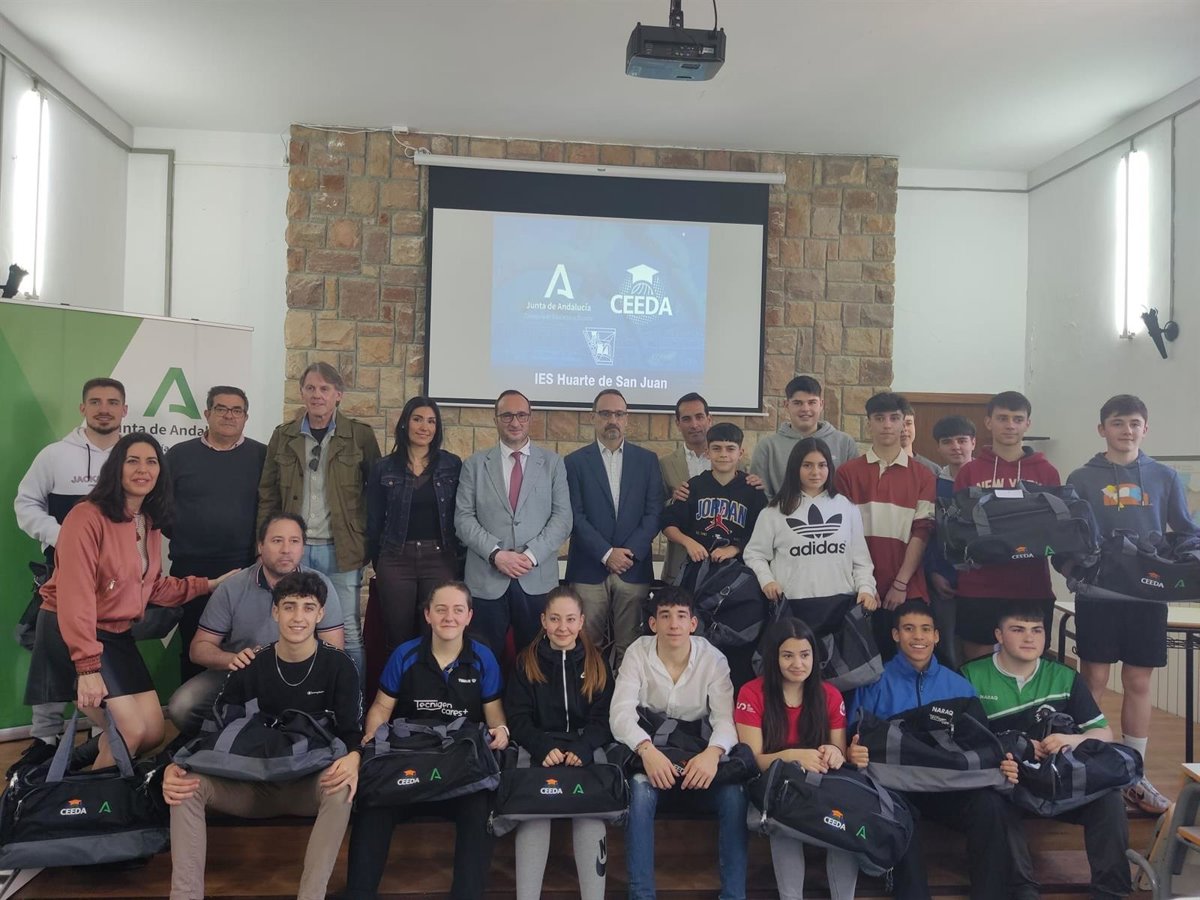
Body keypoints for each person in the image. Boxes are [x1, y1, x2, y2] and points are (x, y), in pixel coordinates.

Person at [25, 433, 234, 769]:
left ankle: (64, 773)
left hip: (116, 634)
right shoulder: (86, 516)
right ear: (116, 468)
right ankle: (94, 799)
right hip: (73, 633)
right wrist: (87, 667)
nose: (143, 469)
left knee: (151, 733)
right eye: (132, 461)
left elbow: (151, 586)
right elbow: (76, 596)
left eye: (151, 462)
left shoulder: (147, 521)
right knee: (129, 731)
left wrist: (208, 585)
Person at [161, 571, 361, 900]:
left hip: (304, 785)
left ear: (320, 614)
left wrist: (354, 758)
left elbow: (352, 730)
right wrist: (176, 764)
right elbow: (215, 727)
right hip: (251, 784)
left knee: (342, 788)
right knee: (185, 788)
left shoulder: (340, 666)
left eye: (308, 608)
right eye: (289, 607)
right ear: (275, 612)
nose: (298, 617)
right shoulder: (252, 665)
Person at [1066, 393, 1199, 815]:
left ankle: (1133, 774)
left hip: (1147, 594)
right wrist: (1075, 567)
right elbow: (1069, 534)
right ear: (1102, 429)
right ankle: (1085, 765)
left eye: (1134, 423)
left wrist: (1188, 562)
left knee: (1139, 681)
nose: (1127, 430)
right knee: (1094, 678)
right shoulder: (1081, 477)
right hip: (1098, 595)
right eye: (1118, 423)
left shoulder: (1164, 476)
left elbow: (1186, 530)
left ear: (1145, 428)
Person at [846, 600, 1019, 900]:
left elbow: (981, 744)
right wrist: (853, 753)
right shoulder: (873, 681)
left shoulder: (959, 685)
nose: (918, 636)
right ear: (895, 635)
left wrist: (1004, 764)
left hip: (947, 787)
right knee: (898, 816)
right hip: (896, 787)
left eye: (926, 629)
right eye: (909, 629)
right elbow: (854, 737)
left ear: (937, 636)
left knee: (990, 806)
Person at [346, 581, 509, 900]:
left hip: (459, 770)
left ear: (469, 616)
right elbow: (381, 708)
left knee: (480, 807)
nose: (449, 617)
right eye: (441, 609)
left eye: (458, 610)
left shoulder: (483, 658)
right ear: (428, 615)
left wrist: (501, 730)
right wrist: (372, 739)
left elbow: (495, 714)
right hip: (410, 763)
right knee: (373, 804)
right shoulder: (405, 655)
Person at [962, 603, 1132, 900]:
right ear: (999, 635)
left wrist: (1070, 740)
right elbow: (966, 741)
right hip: (1008, 778)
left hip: (1057, 779)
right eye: (1018, 630)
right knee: (994, 797)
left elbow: (1103, 732)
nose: (1029, 638)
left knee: (1109, 800)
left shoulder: (1064, 676)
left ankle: (1111, 893)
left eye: (1037, 631)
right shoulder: (970, 676)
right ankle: (1023, 891)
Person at [610, 585, 747, 900]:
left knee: (735, 795)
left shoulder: (713, 659)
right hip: (653, 756)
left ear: (693, 623)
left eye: (682, 616)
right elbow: (620, 714)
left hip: (699, 756)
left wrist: (713, 754)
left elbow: (725, 720)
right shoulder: (637, 652)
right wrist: (646, 750)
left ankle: (734, 896)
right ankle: (642, 896)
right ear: (653, 623)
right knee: (639, 790)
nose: (674, 624)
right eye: (665, 616)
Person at [14, 376, 127, 747]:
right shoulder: (54, 455)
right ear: (83, 408)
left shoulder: (134, 458)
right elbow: (25, 504)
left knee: (105, 657)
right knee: (52, 655)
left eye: (112, 402)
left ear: (124, 410)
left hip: (115, 580)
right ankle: (44, 738)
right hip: (60, 575)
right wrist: (63, 536)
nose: (104, 410)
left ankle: (100, 736)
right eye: (95, 402)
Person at [166, 513, 345, 736]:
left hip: (301, 676)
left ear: (302, 547)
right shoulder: (232, 587)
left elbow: (334, 650)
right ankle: (221, 744)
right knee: (182, 706)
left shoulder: (320, 585)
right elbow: (199, 649)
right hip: (239, 674)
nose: (286, 549)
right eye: (277, 540)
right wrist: (232, 659)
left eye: (294, 541)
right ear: (260, 546)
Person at [258, 362, 381, 679]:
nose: (317, 395)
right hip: (292, 550)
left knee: (347, 629)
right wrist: (265, 545)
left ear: (338, 394)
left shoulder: (360, 436)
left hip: (342, 550)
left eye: (325, 389)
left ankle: (352, 699)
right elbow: (268, 493)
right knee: (291, 624)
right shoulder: (283, 436)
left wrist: (366, 539)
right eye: (310, 388)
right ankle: (298, 694)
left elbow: (376, 493)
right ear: (301, 393)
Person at [735, 617, 857, 900]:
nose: (798, 664)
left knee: (843, 817)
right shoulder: (752, 693)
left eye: (805, 655)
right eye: (788, 656)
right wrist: (792, 756)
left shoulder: (830, 695)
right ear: (774, 657)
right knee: (785, 819)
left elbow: (838, 752)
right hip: (774, 784)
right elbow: (752, 760)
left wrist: (834, 753)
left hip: (820, 785)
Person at [505, 587, 615, 900]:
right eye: (554, 619)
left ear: (581, 621)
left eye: (569, 619)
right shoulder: (526, 662)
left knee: (590, 814)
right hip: (540, 751)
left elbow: (605, 718)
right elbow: (518, 718)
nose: (562, 627)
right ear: (543, 621)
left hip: (584, 752)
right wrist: (541, 746)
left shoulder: (597, 663)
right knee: (534, 815)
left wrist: (584, 746)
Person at [454, 389, 572, 656]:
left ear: (530, 418)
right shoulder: (474, 465)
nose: (515, 422)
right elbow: (463, 518)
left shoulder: (553, 464)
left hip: (536, 579)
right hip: (486, 580)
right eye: (507, 415)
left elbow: (563, 519)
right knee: (482, 658)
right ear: (495, 419)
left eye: (521, 415)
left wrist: (530, 556)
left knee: (537, 659)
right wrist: (495, 554)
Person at [166, 385, 266, 681]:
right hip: (191, 569)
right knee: (194, 644)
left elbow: (271, 506)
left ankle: (237, 708)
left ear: (246, 417)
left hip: (245, 567)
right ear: (207, 413)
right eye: (221, 409)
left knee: (244, 644)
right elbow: (161, 508)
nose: (229, 415)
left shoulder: (262, 455)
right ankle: (193, 709)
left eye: (237, 410)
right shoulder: (179, 455)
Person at [953, 391, 1060, 662]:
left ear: (1028, 424)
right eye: (1002, 418)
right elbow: (957, 529)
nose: (1010, 425)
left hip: (1031, 586)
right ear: (988, 422)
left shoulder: (1046, 472)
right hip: (979, 586)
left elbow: (1055, 530)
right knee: (977, 665)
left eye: (1017, 419)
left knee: (1028, 664)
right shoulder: (969, 472)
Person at [661, 422, 767, 686]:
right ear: (707, 452)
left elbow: (763, 532)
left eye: (730, 449)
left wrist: (735, 548)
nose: (723, 454)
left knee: (736, 641)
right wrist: (688, 542)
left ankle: (736, 694)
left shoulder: (752, 490)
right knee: (696, 636)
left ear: (741, 452)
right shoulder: (694, 486)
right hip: (699, 576)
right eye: (717, 448)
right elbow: (668, 524)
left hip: (738, 580)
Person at [565, 389, 664, 667]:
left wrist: (627, 553)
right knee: (586, 646)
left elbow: (654, 512)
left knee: (631, 649)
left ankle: (625, 697)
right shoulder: (574, 462)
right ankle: (591, 695)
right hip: (588, 568)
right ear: (593, 417)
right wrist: (607, 553)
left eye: (619, 414)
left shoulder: (647, 460)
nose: (613, 420)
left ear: (627, 418)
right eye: (606, 413)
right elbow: (574, 515)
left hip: (633, 568)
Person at [835, 392, 936, 654]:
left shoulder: (924, 475)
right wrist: (863, 583)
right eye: (879, 418)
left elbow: (922, 532)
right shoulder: (847, 473)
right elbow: (841, 534)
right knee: (859, 665)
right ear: (869, 423)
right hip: (857, 588)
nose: (887, 425)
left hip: (906, 589)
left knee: (906, 662)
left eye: (894, 418)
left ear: (904, 422)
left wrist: (900, 584)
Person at [743, 437, 878, 633]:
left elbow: (861, 561)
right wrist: (767, 581)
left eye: (822, 465)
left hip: (841, 607)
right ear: (795, 468)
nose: (815, 472)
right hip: (792, 606)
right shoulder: (773, 511)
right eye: (807, 465)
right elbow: (754, 554)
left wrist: (866, 589)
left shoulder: (847, 507)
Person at [366, 395, 461, 653]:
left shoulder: (451, 465)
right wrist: (380, 561)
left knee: (436, 635)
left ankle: (431, 681)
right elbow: (373, 521)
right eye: (418, 419)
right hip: (396, 560)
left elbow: (460, 516)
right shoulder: (384, 467)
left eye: (431, 421)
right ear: (405, 423)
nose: (424, 427)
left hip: (440, 559)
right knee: (398, 638)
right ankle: (400, 681)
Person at [659, 393, 755, 581]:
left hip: (731, 569)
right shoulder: (666, 464)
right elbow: (659, 512)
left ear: (709, 419)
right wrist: (673, 500)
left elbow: (755, 523)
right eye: (687, 419)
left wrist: (736, 548)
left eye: (699, 417)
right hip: (683, 564)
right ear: (678, 423)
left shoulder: (740, 466)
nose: (694, 424)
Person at [751, 375, 859, 501]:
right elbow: (761, 494)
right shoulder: (767, 447)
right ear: (786, 405)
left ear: (821, 404)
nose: (805, 409)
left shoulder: (845, 443)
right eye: (797, 403)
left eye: (812, 402)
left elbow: (854, 489)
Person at [925, 414, 977, 667]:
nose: (956, 447)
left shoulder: (987, 481)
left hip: (984, 580)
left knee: (982, 644)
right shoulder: (933, 486)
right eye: (947, 441)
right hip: (944, 580)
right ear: (938, 447)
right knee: (947, 646)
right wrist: (934, 572)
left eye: (962, 440)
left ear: (973, 443)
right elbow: (927, 533)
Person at [901, 405, 941, 475]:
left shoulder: (933, 470)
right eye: (899, 424)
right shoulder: (881, 468)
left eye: (909, 423)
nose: (904, 429)